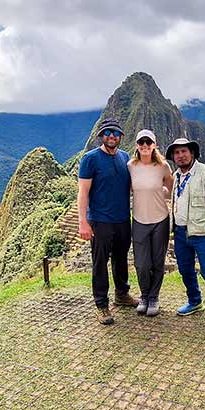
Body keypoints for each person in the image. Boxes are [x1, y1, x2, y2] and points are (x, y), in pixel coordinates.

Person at [165, 138, 205, 333]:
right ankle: (195, 301)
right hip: (180, 231)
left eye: (184, 151)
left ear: (192, 153)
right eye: (176, 153)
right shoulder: (176, 176)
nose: (180, 156)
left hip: (200, 233)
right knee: (185, 270)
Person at [78, 118, 139, 325]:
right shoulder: (90, 159)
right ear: (101, 136)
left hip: (122, 219)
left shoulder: (125, 157)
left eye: (115, 133)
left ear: (121, 136)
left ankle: (122, 294)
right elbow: (83, 192)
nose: (112, 136)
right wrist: (83, 222)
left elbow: (132, 186)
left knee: (121, 259)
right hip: (100, 220)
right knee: (100, 263)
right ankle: (101, 304)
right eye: (108, 133)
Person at [128, 129, 173, 317]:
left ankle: (153, 297)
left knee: (157, 262)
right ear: (137, 145)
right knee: (141, 264)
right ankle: (144, 295)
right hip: (139, 219)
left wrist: (158, 192)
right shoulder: (131, 166)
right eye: (141, 142)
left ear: (154, 145)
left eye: (148, 142)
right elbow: (129, 188)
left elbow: (169, 189)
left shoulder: (163, 166)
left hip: (160, 220)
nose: (145, 145)